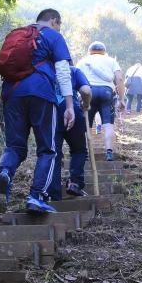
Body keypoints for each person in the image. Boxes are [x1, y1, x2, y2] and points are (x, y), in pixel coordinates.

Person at [0, 8, 76, 214]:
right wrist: (69, 105)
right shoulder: (53, 36)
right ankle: (37, 196)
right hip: (41, 93)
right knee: (48, 149)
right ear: (54, 21)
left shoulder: (19, 33)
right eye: (60, 24)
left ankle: (4, 172)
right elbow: (64, 72)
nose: (59, 28)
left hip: (12, 93)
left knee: (14, 146)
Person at [76, 41, 125, 161]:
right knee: (108, 125)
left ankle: (86, 152)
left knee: (87, 125)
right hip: (107, 92)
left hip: (88, 92)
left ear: (89, 51)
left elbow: (75, 77)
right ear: (104, 51)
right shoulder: (111, 61)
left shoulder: (83, 61)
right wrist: (121, 99)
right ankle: (109, 152)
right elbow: (119, 78)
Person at [50, 65, 92, 200]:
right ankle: (75, 183)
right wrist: (86, 104)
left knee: (53, 154)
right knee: (79, 150)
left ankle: (53, 194)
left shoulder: (44, 70)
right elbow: (86, 91)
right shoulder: (73, 70)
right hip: (72, 111)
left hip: (50, 114)